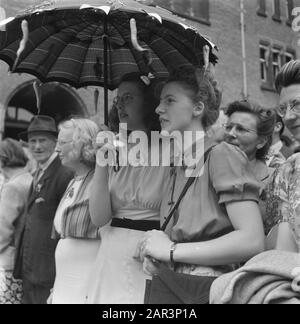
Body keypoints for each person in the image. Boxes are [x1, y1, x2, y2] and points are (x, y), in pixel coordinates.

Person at [138, 67, 265, 300]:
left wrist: (172, 251)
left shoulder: (221, 155)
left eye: (170, 100)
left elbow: (252, 239)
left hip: (209, 291)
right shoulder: (178, 165)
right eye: (160, 101)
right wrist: (163, 257)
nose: (158, 108)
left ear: (198, 108)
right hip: (173, 286)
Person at [86, 72, 169, 304]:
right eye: (117, 99)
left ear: (149, 102)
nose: (120, 104)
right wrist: (101, 162)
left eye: (128, 97)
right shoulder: (114, 147)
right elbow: (99, 218)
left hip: (150, 254)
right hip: (112, 253)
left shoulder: (172, 148)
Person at [13, 115, 74, 304]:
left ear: (55, 142)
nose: (37, 146)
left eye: (42, 140)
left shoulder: (64, 173)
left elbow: (66, 226)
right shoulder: (39, 171)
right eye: (33, 141)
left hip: (48, 272)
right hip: (31, 269)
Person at [48, 118, 101, 304]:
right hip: (64, 285)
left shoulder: (99, 181)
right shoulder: (74, 181)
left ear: (82, 143)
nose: (56, 149)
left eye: (62, 143)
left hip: (85, 288)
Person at [223, 100, 276, 233]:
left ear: (261, 141)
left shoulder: (274, 180)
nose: (230, 133)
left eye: (240, 129)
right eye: (228, 127)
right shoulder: (207, 171)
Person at [271, 59, 300, 251]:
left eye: (297, 104)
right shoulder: (289, 170)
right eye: (283, 109)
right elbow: (285, 251)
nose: (289, 116)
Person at [0, 139, 32, 304]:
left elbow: (2, 230)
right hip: (21, 259)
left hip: (7, 264)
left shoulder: (12, 186)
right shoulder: (29, 179)